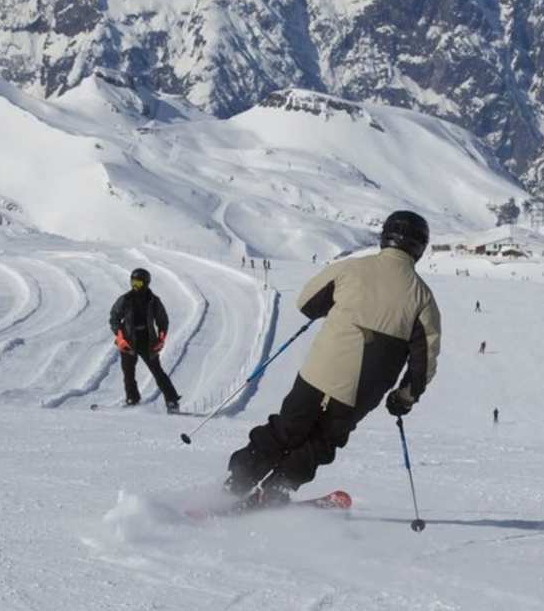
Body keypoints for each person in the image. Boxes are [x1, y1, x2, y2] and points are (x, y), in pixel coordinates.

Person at [224, 211, 442, 506]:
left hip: (319, 372)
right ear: (420, 247)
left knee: (286, 427)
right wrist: (404, 398)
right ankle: (276, 491)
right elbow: (423, 363)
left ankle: (238, 480)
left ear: (385, 237)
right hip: (363, 390)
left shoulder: (350, 268)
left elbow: (307, 302)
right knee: (322, 441)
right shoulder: (423, 298)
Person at [109, 267, 181, 411]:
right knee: (128, 373)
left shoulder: (153, 301)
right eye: (133, 282)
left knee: (157, 371)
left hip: (147, 341)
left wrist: (161, 338)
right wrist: (120, 336)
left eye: (138, 283)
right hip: (128, 340)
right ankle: (132, 399)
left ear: (146, 283)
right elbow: (114, 318)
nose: (135, 286)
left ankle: (172, 401)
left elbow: (162, 321)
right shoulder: (125, 299)